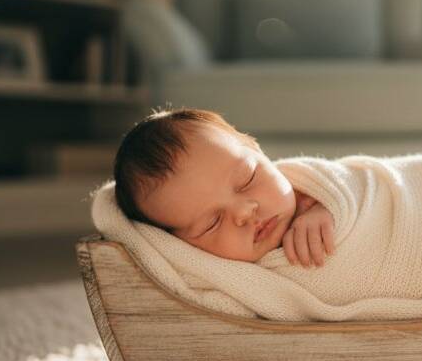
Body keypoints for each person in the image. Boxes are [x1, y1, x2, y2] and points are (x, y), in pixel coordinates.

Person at [113, 108, 335, 267]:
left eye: (247, 179)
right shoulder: (222, 280)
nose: (244, 212)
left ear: (257, 149)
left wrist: (329, 207)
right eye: (212, 223)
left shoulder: (313, 184)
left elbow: (364, 181)